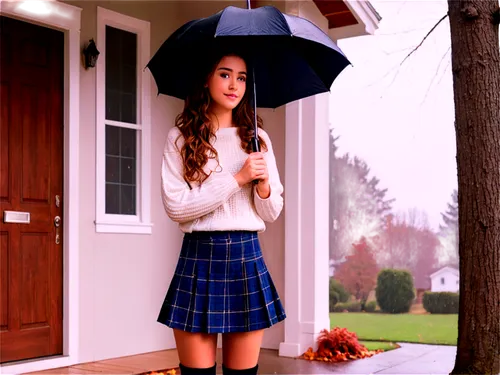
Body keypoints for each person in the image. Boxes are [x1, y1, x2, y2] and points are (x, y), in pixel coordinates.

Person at [157, 49, 286, 375]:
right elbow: (177, 208)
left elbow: (271, 213)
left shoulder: (258, 140)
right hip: (199, 260)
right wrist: (237, 179)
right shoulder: (181, 138)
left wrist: (263, 185)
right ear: (206, 78)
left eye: (242, 78)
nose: (234, 85)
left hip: (246, 259)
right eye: (225, 74)